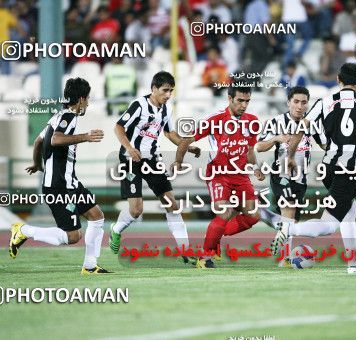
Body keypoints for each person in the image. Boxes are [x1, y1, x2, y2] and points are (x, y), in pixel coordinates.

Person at [272, 63, 356, 274]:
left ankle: (354, 264)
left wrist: (290, 155)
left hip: (329, 168)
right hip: (350, 170)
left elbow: (301, 127)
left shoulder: (325, 102)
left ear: (338, 80)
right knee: (329, 225)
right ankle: (289, 227)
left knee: (349, 212)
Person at [10, 78, 110, 274]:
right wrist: (86, 137)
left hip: (70, 183)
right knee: (72, 236)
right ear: (81, 99)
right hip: (60, 186)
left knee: (97, 216)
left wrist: (37, 164)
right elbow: (55, 140)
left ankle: (90, 267)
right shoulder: (69, 117)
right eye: (87, 99)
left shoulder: (56, 117)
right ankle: (23, 231)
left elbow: (39, 142)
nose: (88, 103)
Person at [108, 71, 201, 264]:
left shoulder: (166, 110)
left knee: (172, 205)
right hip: (130, 159)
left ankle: (185, 250)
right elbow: (118, 127)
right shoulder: (139, 105)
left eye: (171, 91)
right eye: (165, 90)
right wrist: (130, 148)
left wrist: (187, 146)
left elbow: (169, 134)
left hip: (153, 160)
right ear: (153, 89)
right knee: (136, 211)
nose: (168, 95)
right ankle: (115, 230)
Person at [173, 85, 265, 269]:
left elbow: (248, 150)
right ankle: (205, 257)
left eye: (247, 101)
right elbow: (186, 139)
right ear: (230, 98)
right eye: (240, 100)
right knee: (224, 213)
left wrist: (255, 167)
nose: (244, 105)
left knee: (254, 216)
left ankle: (216, 236)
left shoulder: (252, 122)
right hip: (218, 175)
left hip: (240, 176)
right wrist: (178, 161)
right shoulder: (215, 119)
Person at [256, 86, 327, 266]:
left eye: (304, 102)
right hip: (282, 174)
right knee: (289, 209)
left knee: (292, 222)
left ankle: (259, 212)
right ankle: (287, 259)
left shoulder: (311, 124)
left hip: (301, 178)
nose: (299, 106)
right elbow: (259, 146)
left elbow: (326, 145)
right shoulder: (276, 121)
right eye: (296, 102)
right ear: (288, 102)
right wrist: (276, 139)